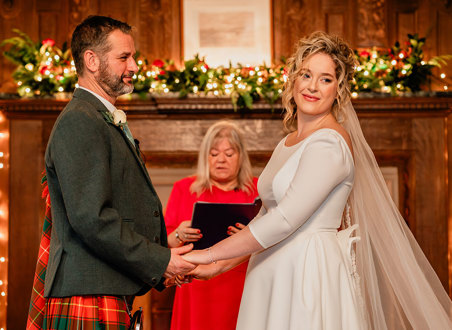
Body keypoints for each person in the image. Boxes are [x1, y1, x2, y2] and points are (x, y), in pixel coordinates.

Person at [182, 32, 452, 329]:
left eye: (325, 79)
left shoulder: (330, 145)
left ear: (339, 89)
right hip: (270, 269)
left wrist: (207, 255)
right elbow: (266, 216)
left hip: (307, 272)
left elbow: (285, 220)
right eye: (306, 74)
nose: (312, 86)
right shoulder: (288, 142)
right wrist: (221, 266)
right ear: (293, 80)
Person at [41, 15, 194, 328]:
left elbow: (118, 207)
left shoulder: (97, 116)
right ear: (92, 60)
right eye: (124, 57)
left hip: (104, 287)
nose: (135, 65)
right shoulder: (80, 120)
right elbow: (92, 218)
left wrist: (161, 248)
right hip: (89, 293)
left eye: (133, 56)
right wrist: (160, 261)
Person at [165, 121, 258, 330]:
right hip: (195, 286)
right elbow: (165, 241)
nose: (221, 160)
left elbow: (273, 238)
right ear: (205, 157)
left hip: (243, 283)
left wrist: (251, 236)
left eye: (229, 153)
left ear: (241, 156)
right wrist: (178, 235)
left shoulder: (258, 189)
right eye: (214, 153)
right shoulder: (184, 189)